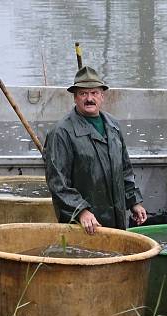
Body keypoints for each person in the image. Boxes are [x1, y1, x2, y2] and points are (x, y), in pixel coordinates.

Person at [44, 66, 147, 233]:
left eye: (94, 93)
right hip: (82, 226)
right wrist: (81, 211)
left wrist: (134, 201)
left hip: (117, 221)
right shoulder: (61, 132)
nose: (89, 99)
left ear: (102, 96)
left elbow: (125, 170)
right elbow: (57, 183)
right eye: (83, 94)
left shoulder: (113, 126)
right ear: (75, 98)